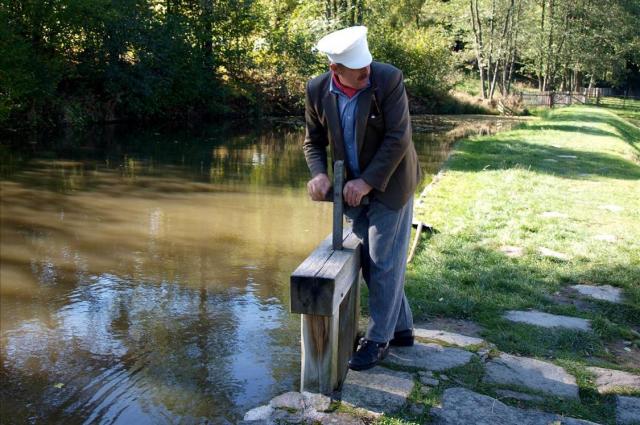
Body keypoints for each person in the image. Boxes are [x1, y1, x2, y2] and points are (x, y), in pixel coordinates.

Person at [303, 26, 421, 371]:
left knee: (383, 259)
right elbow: (313, 142)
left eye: (368, 65)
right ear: (334, 70)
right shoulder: (315, 90)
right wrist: (319, 174)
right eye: (359, 71)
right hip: (351, 189)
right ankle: (401, 328)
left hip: (391, 183)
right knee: (369, 262)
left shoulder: (388, 79)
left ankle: (378, 339)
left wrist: (368, 181)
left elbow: (399, 137)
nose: (367, 72)